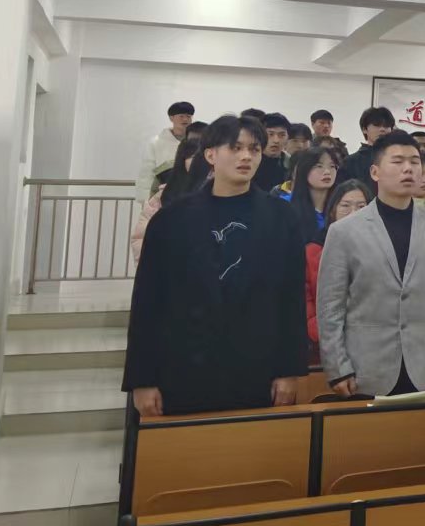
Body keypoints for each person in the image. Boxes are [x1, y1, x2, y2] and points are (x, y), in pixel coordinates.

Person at [123, 116, 308, 416]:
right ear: (210, 154)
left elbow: (291, 299)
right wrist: (142, 378)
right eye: (235, 147)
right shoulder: (171, 219)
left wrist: (289, 370)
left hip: (256, 366)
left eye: (254, 149)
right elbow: (148, 302)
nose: (246, 156)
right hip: (183, 366)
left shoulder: (281, 217)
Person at [316, 131, 425, 397]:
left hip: (424, 364)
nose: (408, 168)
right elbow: (330, 307)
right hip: (364, 367)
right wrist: (337, 367)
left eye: (414, 162)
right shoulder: (344, 231)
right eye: (397, 161)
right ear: (375, 172)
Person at [306, 180, 369, 346]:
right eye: (345, 205)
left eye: (361, 206)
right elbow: (306, 299)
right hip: (324, 340)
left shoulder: (382, 247)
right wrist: (320, 330)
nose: (353, 213)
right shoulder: (313, 251)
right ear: (333, 210)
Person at [130, 136, 206, 262]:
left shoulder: (218, 192)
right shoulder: (165, 194)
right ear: (182, 160)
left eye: (200, 157)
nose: (196, 161)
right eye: (191, 156)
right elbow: (141, 236)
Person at [136, 100, 194, 200]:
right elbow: (147, 173)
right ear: (171, 118)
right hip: (162, 196)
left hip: (191, 195)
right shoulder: (156, 143)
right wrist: (145, 199)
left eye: (188, 116)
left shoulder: (198, 141)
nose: (185, 119)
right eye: (181, 116)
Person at [284, 146, 341, 246]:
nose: (327, 172)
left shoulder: (341, 206)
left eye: (332, 166)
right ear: (304, 170)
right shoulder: (285, 205)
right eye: (319, 166)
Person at [338, 106, 395, 190]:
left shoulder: (397, 158)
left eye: (386, 126)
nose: (382, 129)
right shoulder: (351, 162)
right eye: (377, 125)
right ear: (364, 129)